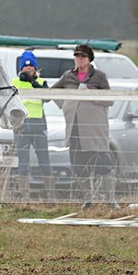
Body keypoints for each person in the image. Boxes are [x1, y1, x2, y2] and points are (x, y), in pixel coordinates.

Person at [51, 44, 119, 209]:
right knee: (79, 166)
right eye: (77, 56)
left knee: (104, 165)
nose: (79, 59)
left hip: (95, 131)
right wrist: (65, 104)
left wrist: (91, 94)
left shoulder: (99, 76)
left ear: (89, 59)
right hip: (74, 129)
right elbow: (52, 92)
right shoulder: (68, 76)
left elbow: (110, 100)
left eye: (83, 56)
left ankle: (110, 200)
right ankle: (87, 200)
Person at [11, 51, 54, 202]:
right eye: (25, 66)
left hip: (38, 127)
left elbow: (48, 98)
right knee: (23, 163)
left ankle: (50, 196)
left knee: (44, 162)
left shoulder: (42, 82)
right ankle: (25, 197)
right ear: (21, 68)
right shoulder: (15, 82)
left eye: (31, 66)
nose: (28, 69)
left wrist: (34, 83)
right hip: (21, 127)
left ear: (35, 68)